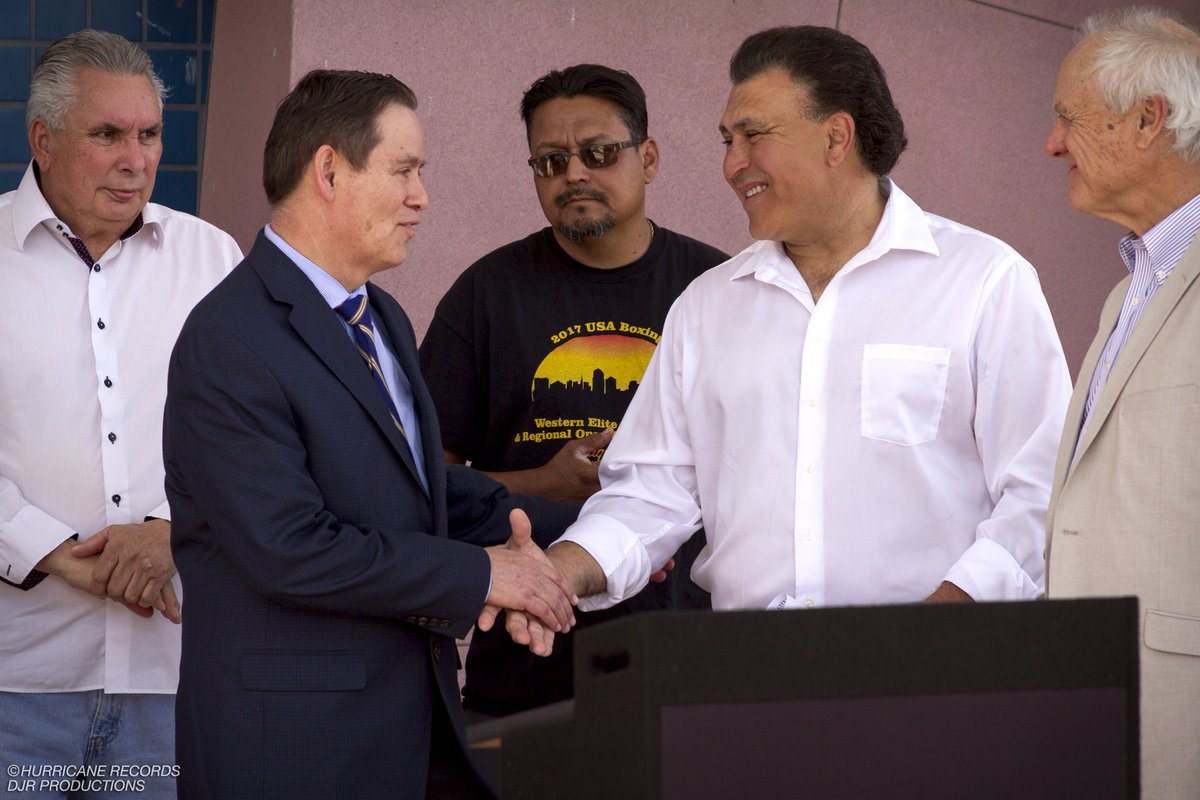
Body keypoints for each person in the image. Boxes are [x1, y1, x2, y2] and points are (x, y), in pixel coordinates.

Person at [512, 25, 1072, 647]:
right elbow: (650, 492)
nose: (730, 165)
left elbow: (1043, 494)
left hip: (933, 678)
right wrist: (556, 572)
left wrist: (934, 624)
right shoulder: (707, 305)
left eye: (753, 136)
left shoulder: (984, 282)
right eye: (728, 140)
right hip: (749, 682)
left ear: (837, 136)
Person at [164, 69, 577, 800]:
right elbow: (289, 548)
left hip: (409, 732)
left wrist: (604, 530)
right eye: (404, 170)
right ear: (329, 169)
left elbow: (421, 491)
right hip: (290, 753)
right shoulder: (228, 337)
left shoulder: (379, 315)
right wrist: (485, 575)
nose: (422, 197)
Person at [419, 64, 725, 718]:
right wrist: (545, 482)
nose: (574, 173)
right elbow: (417, 489)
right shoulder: (486, 296)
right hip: (524, 667)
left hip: (691, 663)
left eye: (599, 153)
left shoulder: (717, 292)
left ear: (649, 157)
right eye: (550, 160)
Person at [0, 29, 241, 798]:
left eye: (149, 134)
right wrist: (56, 552)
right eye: (107, 135)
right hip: (17, 678)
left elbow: (253, 433)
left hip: (170, 680)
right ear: (43, 139)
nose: (136, 159)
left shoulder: (213, 259)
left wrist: (175, 528)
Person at [1042, 9, 1200, 798]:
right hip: (1090, 703)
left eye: (1068, 118)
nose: (1052, 143)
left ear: (1149, 120)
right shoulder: (1125, 293)